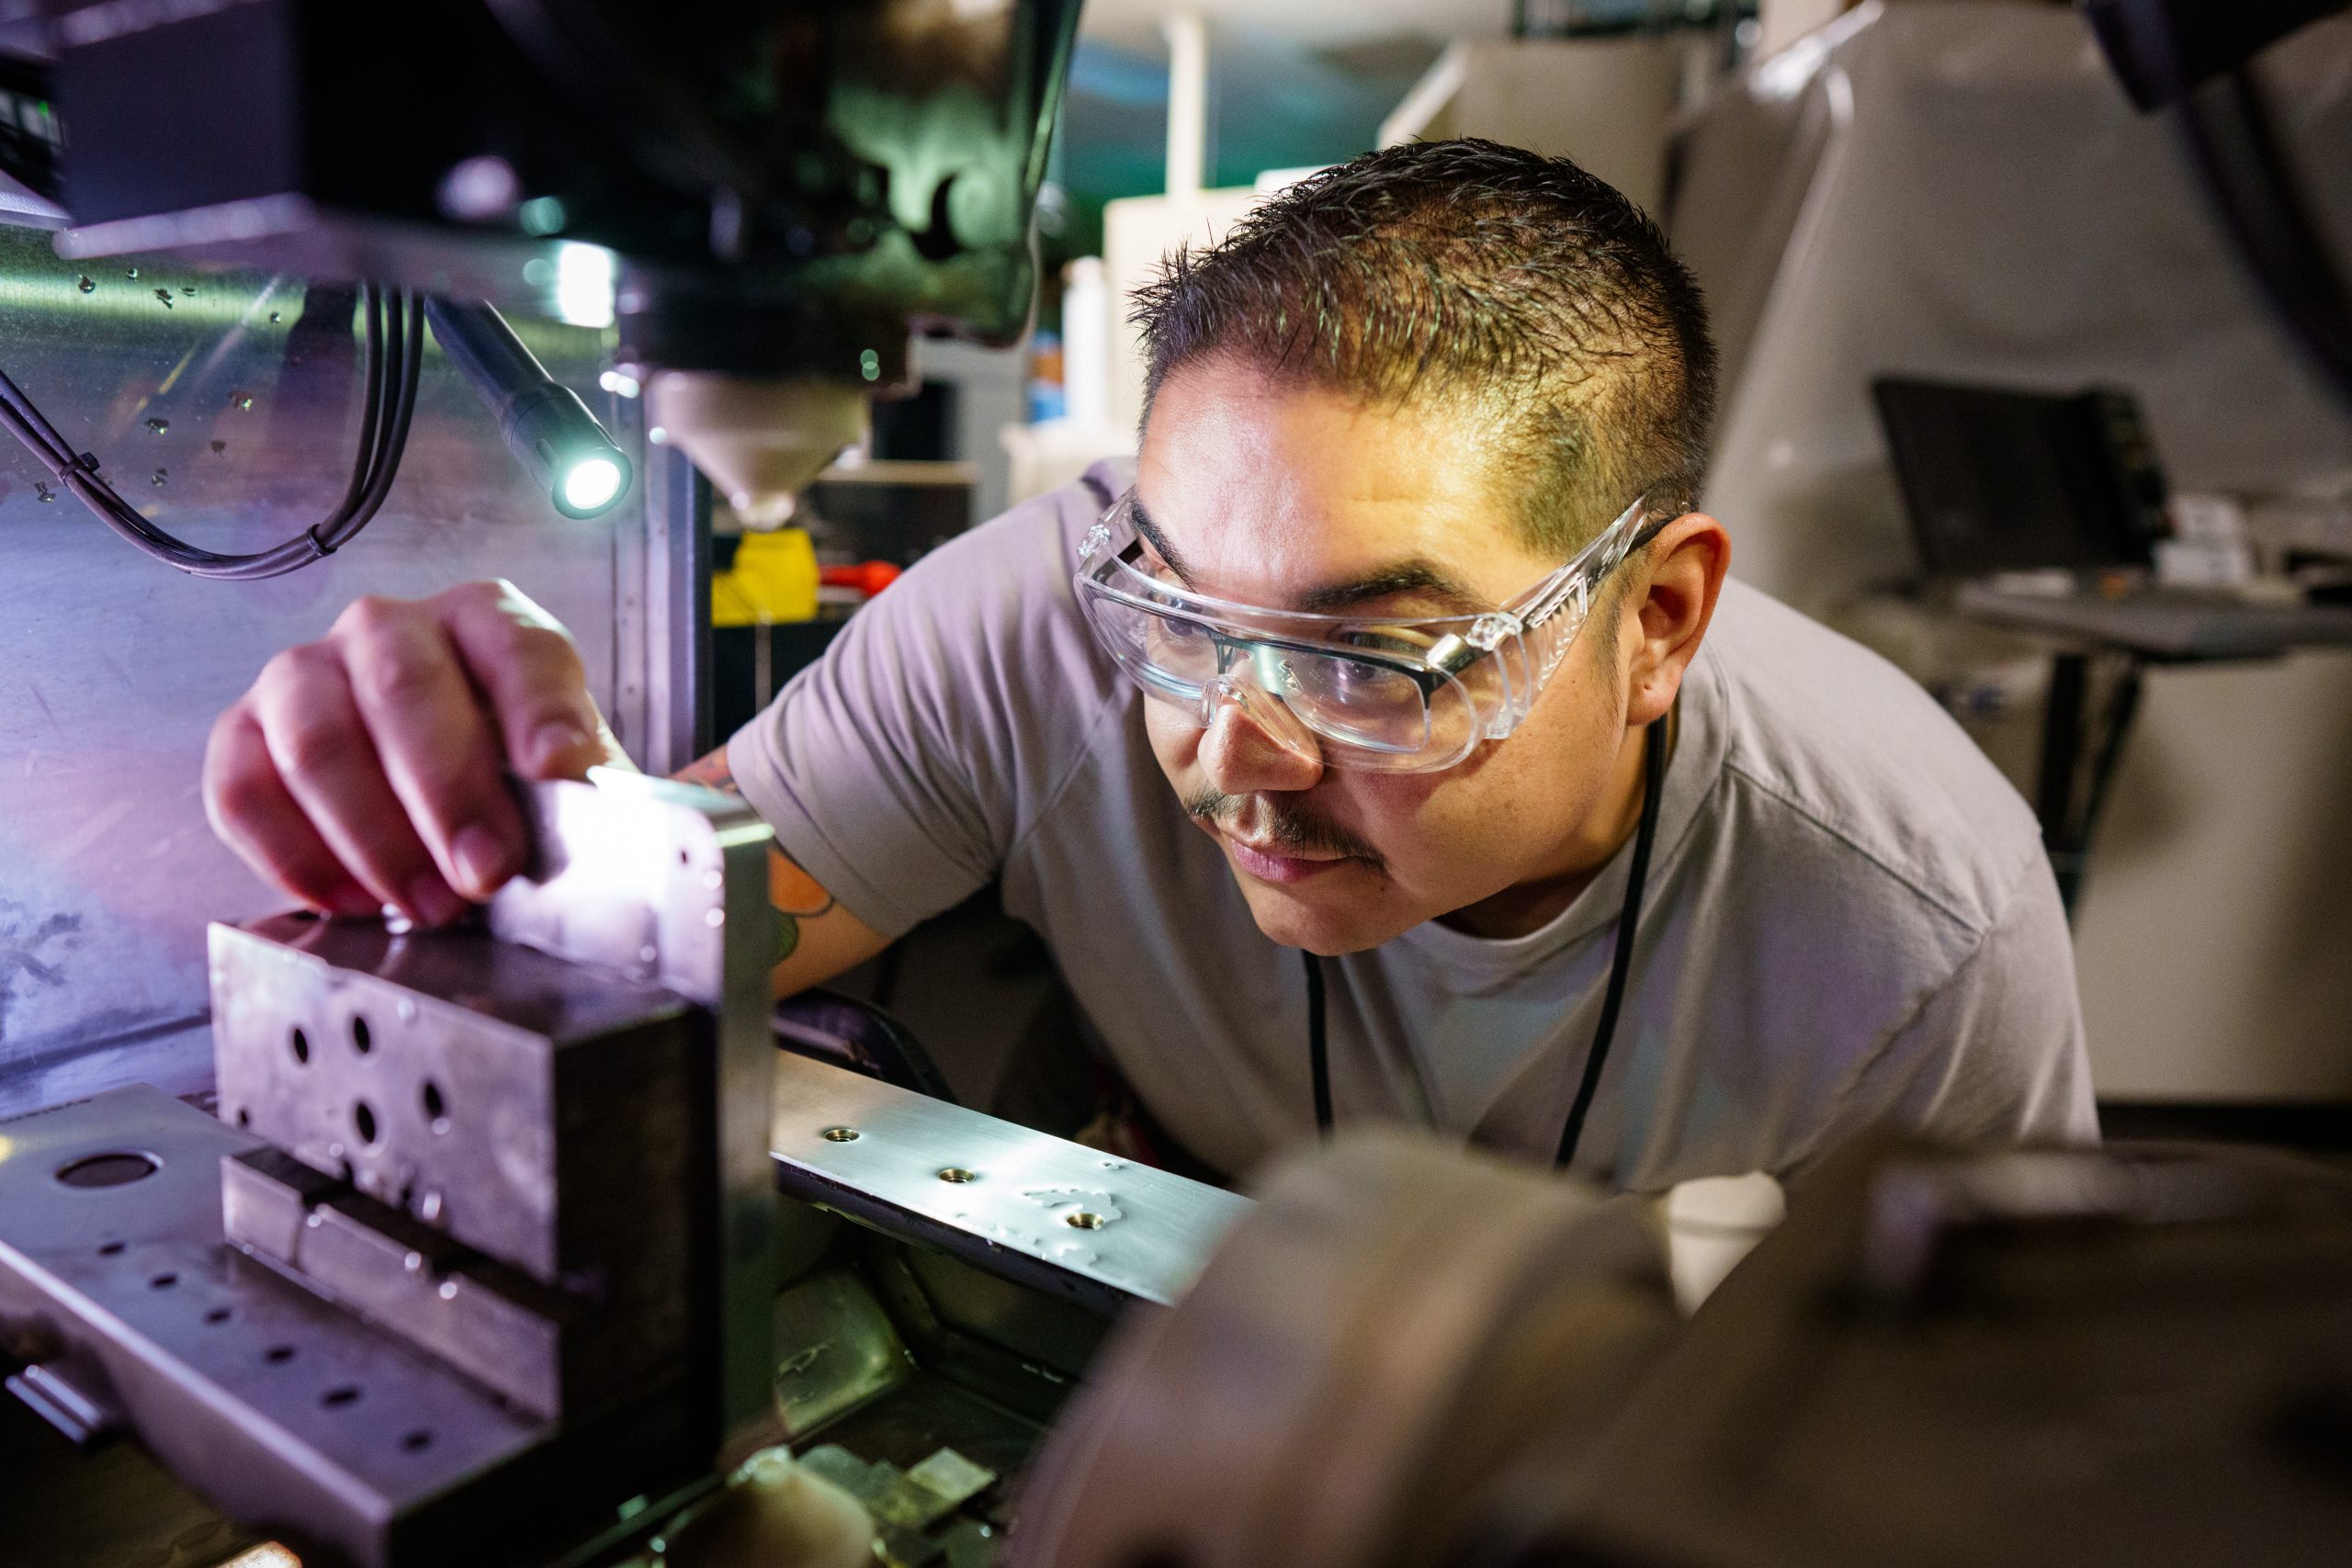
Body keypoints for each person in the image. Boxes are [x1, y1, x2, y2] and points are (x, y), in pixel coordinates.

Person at [203, 140, 2095, 1189]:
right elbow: (669, 933)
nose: (1231, 755)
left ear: (1656, 616)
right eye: (1182, 619)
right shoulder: (1036, 616)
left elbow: (1974, 1450)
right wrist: (485, 799)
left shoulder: (1908, 925)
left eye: (1376, 655)